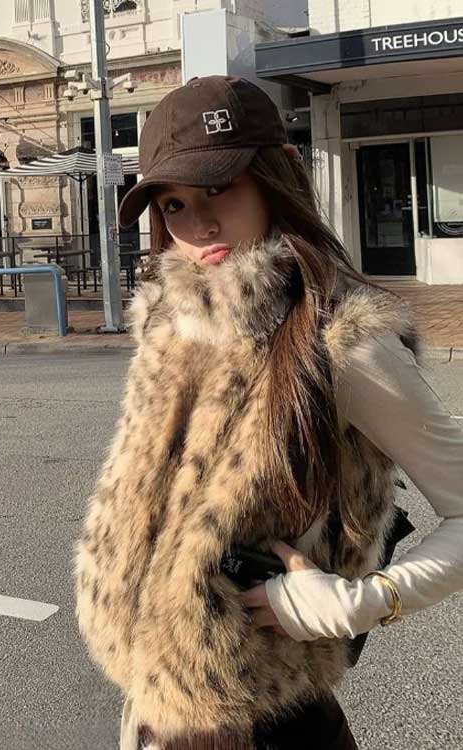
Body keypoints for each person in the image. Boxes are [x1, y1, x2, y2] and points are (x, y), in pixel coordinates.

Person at [73, 75, 463, 750]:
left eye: (220, 188)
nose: (198, 225)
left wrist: (357, 604)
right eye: (173, 203)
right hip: (154, 715)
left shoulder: (342, 340)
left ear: (274, 178)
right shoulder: (173, 330)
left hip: (269, 725)